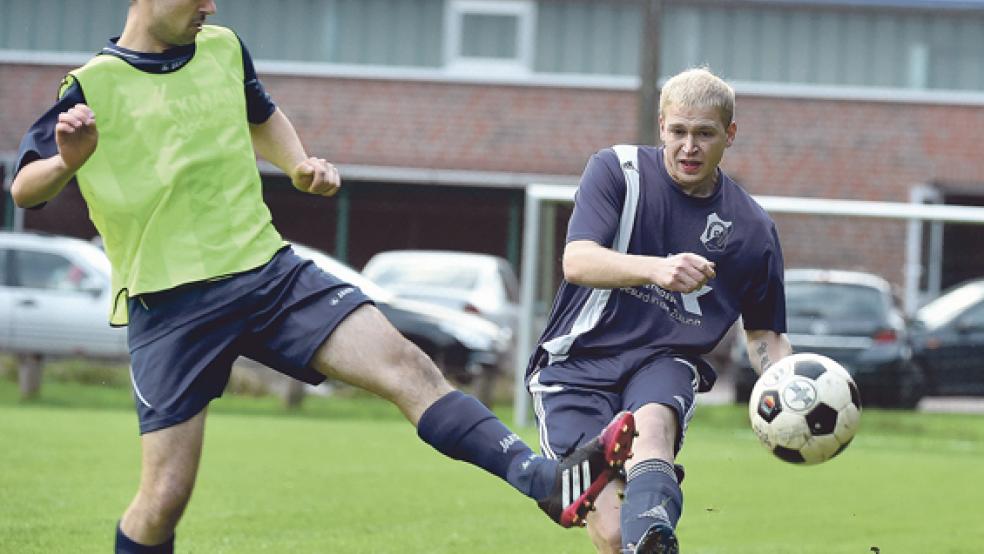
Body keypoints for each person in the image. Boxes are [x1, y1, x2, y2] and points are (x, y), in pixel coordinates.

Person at [9, 2, 638, 552]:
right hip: (171, 308)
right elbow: (25, 186)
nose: (211, 4)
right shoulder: (92, 85)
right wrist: (69, 161)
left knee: (407, 365)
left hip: (267, 273)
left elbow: (261, 112)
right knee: (164, 498)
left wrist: (299, 162)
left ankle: (545, 482)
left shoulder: (222, 49)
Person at [524, 67, 793, 554]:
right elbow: (577, 260)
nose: (690, 146)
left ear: (729, 135)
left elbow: (764, 333)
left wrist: (786, 386)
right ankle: (639, 536)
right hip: (576, 365)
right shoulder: (616, 171)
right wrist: (657, 269)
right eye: (679, 131)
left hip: (663, 359)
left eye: (705, 134)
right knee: (609, 531)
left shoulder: (752, 228)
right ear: (661, 126)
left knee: (652, 429)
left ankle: (653, 532)